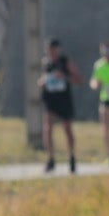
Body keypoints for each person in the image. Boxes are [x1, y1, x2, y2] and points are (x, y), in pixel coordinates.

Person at [38, 38, 84, 173]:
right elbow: (42, 79)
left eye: (53, 50)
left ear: (58, 50)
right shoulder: (46, 63)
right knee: (48, 129)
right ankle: (51, 159)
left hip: (64, 100)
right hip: (50, 99)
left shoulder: (65, 62)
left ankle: (72, 157)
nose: (51, 53)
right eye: (48, 50)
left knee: (67, 129)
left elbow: (79, 80)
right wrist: (43, 81)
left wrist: (64, 76)